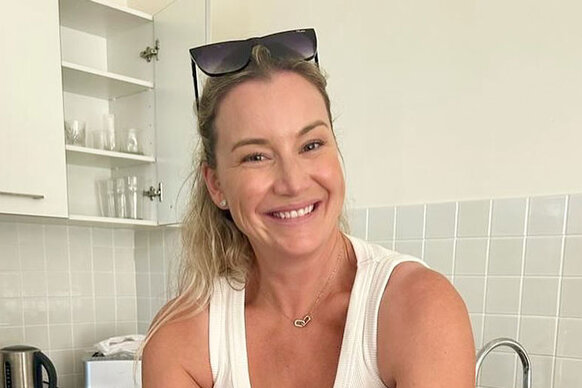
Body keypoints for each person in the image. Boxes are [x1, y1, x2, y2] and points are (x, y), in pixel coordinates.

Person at [142, 29, 475, 388]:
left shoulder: (419, 309)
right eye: (256, 156)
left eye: (311, 145)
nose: (293, 182)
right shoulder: (183, 338)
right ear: (216, 184)